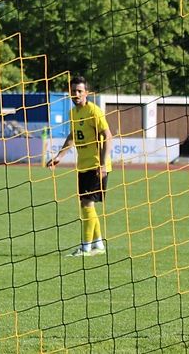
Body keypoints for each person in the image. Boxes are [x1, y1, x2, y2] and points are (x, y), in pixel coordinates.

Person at [46, 75, 113, 257]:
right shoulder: (73, 113)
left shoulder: (94, 111)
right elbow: (73, 136)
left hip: (96, 166)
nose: (76, 94)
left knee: (87, 204)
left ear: (86, 93)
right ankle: (98, 244)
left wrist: (102, 164)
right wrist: (59, 156)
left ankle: (85, 248)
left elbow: (108, 136)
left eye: (79, 91)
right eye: (73, 91)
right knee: (86, 205)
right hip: (83, 165)